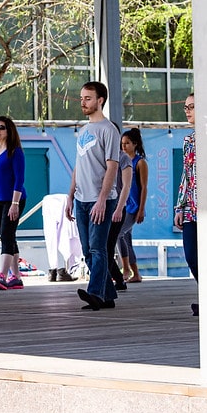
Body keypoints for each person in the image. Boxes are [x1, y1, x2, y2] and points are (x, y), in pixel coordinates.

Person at [65, 81, 121, 310]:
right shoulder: (84, 131)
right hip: (81, 199)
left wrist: (101, 200)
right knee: (87, 250)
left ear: (100, 101)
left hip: (102, 200)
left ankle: (95, 292)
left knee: (98, 249)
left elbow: (112, 167)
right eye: (82, 98)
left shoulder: (109, 130)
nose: (83, 102)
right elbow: (79, 165)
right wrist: (70, 195)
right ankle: (107, 295)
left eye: (88, 98)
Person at [0, 116, 27, 290]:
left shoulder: (15, 152)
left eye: (1, 127)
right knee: (9, 236)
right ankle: (16, 278)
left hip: (13, 200)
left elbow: (19, 179)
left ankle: (3, 274)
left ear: (9, 131)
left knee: (6, 236)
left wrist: (15, 204)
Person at [174, 93, 199, 316]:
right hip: (191, 207)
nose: (188, 111)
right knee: (191, 254)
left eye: (192, 106)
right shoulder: (188, 141)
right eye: (186, 107)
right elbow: (186, 174)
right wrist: (180, 206)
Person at [118, 127, 148, 283]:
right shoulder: (121, 160)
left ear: (135, 144)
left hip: (133, 206)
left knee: (118, 234)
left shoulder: (140, 163)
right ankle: (136, 273)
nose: (123, 146)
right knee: (126, 238)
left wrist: (141, 209)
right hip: (122, 205)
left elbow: (143, 188)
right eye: (122, 143)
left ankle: (126, 269)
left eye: (127, 143)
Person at [105, 129, 133, 292]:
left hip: (117, 209)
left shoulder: (123, 158)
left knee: (108, 246)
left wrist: (120, 208)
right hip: (105, 206)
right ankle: (116, 279)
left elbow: (126, 186)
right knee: (103, 247)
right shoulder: (104, 156)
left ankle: (117, 279)